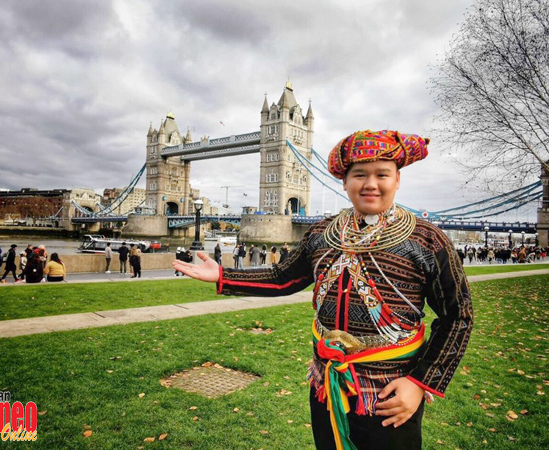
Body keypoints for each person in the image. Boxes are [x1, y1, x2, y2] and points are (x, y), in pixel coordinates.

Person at [173, 129, 473, 450]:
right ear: (344, 182)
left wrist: (420, 383)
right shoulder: (320, 234)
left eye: (382, 174)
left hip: (390, 395)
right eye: (359, 174)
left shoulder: (428, 241)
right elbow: (281, 277)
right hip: (326, 387)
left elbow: (458, 316)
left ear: (397, 179)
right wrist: (223, 275)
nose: (370, 184)